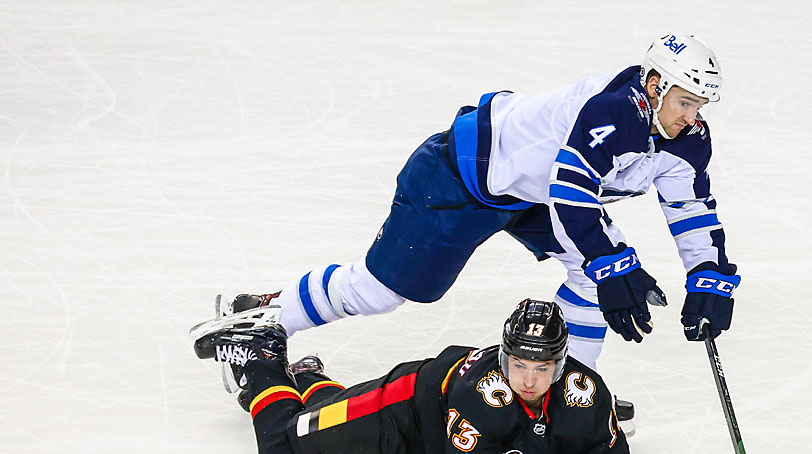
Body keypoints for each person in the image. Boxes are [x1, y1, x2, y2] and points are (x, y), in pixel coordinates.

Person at [215, 32, 739, 385]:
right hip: (462, 176)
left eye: (700, 106)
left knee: (591, 273)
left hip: (530, 191)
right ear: (654, 85)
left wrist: (709, 277)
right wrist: (613, 265)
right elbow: (573, 191)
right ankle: (260, 317)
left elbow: (691, 206)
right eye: (685, 102)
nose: (693, 117)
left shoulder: (684, 136)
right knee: (380, 291)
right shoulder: (612, 112)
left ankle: (571, 393)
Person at [192, 298, 668, 454]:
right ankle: (260, 354)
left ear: (561, 365)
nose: (528, 380)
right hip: (405, 415)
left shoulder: (585, 394)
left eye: (541, 368)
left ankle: (308, 378)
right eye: (518, 365)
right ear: (504, 357)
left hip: (439, 437)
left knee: (320, 422)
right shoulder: (484, 394)